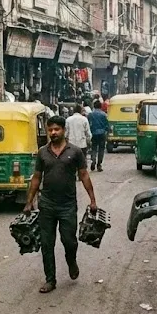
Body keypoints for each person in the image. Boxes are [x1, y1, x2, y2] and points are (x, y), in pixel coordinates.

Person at [23, 116, 97, 294]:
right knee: (47, 244)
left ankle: (71, 261)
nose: (53, 133)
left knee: (69, 241)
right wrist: (29, 202)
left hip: (67, 205)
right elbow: (36, 178)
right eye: (50, 130)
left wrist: (93, 200)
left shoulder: (76, 152)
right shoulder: (42, 152)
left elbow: (84, 175)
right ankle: (50, 279)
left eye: (56, 129)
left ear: (64, 130)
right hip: (47, 204)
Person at [86, 101, 110, 171]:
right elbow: (107, 125)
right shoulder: (104, 114)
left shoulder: (91, 114)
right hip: (102, 134)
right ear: (100, 106)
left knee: (93, 148)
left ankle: (93, 160)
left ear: (94, 106)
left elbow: (88, 124)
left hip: (93, 133)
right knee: (101, 149)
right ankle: (99, 165)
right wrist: (107, 132)